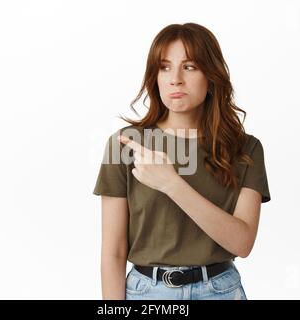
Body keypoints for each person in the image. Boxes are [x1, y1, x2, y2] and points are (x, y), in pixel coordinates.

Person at [93, 22, 271, 300]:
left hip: (221, 291)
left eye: (189, 67)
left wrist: (172, 184)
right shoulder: (125, 145)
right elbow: (113, 250)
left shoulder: (245, 149)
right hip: (146, 294)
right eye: (164, 67)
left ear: (211, 76)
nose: (175, 78)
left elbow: (242, 243)